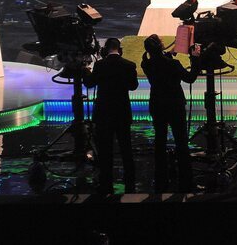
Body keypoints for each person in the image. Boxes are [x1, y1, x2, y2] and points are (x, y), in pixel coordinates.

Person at [140, 34, 199, 192]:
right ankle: (186, 180)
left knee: (160, 141)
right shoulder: (173, 64)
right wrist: (195, 59)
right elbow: (190, 78)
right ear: (161, 46)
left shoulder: (146, 63)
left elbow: (159, 61)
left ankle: (161, 179)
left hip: (157, 105)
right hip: (175, 106)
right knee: (181, 142)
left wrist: (167, 55)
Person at [84, 37, 139, 194]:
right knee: (126, 147)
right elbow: (133, 86)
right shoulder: (129, 65)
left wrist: (85, 71)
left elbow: (89, 83)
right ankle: (130, 179)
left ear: (104, 50)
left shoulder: (100, 65)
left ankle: (106, 182)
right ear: (120, 50)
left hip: (104, 114)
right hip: (122, 112)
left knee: (105, 149)